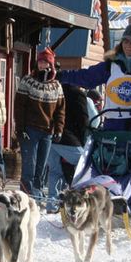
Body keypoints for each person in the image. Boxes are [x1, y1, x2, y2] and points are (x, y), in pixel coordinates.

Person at [57, 23, 131, 215]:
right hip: (113, 125)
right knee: (108, 164)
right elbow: (87, 77)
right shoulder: (112, 65)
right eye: (125, 41)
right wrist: (61, 75)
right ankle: (104, 198)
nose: (128, 45)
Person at [14, 47, 65, 202]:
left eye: (45, 62)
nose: (42, 65)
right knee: (29, 166)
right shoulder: (28, 81)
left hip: (47, 131)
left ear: (51, 65)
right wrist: (20, 128)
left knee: (41, 168)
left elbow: (60, 109)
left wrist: (59, 129)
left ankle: (37, 197)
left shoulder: (56, 85)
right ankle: (25, 197)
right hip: (30, 129)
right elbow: (19, 106)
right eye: (40, 62)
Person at [46, 83, 89, 214]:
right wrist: (83, 140)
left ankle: (52, 206)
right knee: (84, 164)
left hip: (49, 135)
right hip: (68, 137)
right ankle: (79, 199)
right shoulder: (78, 94)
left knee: (54, 172)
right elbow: (83, 120)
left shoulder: (53, 90)